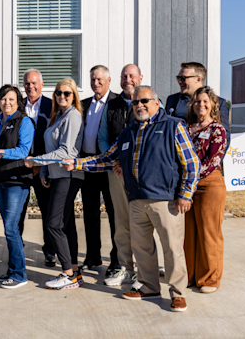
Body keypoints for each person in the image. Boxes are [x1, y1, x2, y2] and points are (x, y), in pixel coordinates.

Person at [64, 85, 200, 312]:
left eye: (145, 101)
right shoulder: (128, 132)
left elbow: (192, 163)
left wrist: (185, 194)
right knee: (142, 247)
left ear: (157, 103)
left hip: (166, 200)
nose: (140, 105)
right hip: (136, 199)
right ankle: (149, 287)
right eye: (136, 102)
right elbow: (107, 158)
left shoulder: (173, 126)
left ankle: (177, 293)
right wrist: (77, 163)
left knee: (172, 248)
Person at [25, 78, 84, 291]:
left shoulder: (73, 116)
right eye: (58, 93)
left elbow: (66, 152)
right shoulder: (58, 116)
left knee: (53, 223)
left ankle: (68, 274)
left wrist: (37, 161)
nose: (62, 96)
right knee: (66, 225)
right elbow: (53, 146)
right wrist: (45, 170)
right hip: (57, 175)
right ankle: (75, 272)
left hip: (68, 176)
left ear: (74, 96)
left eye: (67, 93)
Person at [0, 84, 34, 289]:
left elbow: (24, 150)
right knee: (9, 229)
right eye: (4, 99)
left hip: (17, 180)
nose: (7, 103)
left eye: (11, 99)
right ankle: (14, 268)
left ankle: (19, 274)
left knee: (11, 228)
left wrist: (5, 153)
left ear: (18, 102)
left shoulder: (25, 122)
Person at [184, 86, 228, 294]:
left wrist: (191, 177)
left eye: (205, 101)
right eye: (197, 101)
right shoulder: (185, 127)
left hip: (209, 184)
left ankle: (210, 279)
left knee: (209, 233)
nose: (201, 104)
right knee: (188, 233)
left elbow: (213, 160)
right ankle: (189, 275)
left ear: (212, 105)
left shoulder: (218, 129)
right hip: (186, 188)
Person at [103, 64, 142, 287]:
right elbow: (103, 138)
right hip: (116, 173)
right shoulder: (112, 105)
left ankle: (143, 270)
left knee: (142, 222)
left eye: (132, 76)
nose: (128, 80)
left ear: (140, 78)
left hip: (141, 175)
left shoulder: (150, 102)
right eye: (124, 76)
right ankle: (125, 268)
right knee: (121, 223)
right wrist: (115, 162)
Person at [79, 65, 120, 273]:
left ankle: (116, 259)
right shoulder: (84, 104)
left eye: (99, 79)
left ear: (109, 80)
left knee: (114, 213)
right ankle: (93, 256)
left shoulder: (116, 103)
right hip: (88, 164)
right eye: (92, 79)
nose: (95, 83)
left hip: (109, 165)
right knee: (90, 212)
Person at [18, 69, 55, 266]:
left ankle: (50, 250)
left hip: (43, 168)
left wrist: (41, 164)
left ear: (41, 84)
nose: (30, 87)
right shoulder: (18, 106)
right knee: (18, 212)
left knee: (48, 211)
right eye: (26, 83)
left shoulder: (51, 105)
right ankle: (17, 249)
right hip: (21, 168)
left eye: (33, 83)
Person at [165, 62, 230, 140]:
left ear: (198, 79)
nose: (179, 81)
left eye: (183, 78)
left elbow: (224, 138)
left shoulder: (218, 102)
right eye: (178, 78)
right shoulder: (172, 100)